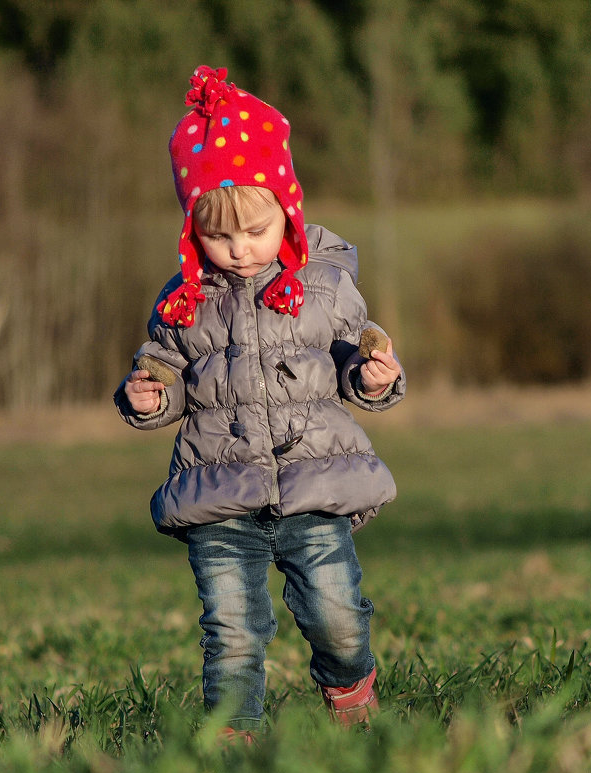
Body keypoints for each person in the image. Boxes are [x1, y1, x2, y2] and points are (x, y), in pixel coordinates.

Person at [114, 66, 405, 737]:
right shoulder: (181, 302)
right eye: (219, 236)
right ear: (193, 231)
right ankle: (231, 737)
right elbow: (167, 373)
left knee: (336, 612)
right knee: (232, 627)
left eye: (256, 229)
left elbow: (351, 359)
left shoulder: (323, 288)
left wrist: (374, 376)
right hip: (220, 490)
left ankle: (348, 681)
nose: (240, 250)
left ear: (288, 211)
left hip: (314, 481)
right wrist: (148, 395)